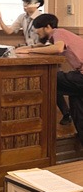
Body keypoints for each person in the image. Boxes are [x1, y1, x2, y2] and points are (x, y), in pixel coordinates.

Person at [16, 13, 83, 144]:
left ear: (47, 27)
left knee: (49, 78)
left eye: (38, 28)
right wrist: (28, 48)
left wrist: (29, 51)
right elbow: (46, 47)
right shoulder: (58, 36)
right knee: (76, 100)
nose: (36, 31)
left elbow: (57, 48)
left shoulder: (59, 32)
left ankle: (40, 125)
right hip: (79, 75)